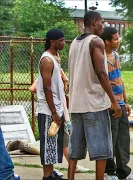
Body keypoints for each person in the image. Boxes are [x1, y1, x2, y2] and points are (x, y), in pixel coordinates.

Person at [67, 11, 122, 180]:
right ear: (94, 22)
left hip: (76, 103)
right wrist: (113, 100)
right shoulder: (96, 41)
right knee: (101, 150)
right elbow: (101, 72)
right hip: (94, 102)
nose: (103, 26)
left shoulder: (74, 43)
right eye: (102, 22)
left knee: (75, 149)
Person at [29, 54, 89, 177]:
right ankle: (59, 170)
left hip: (61, 111)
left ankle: (55, 171)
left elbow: (62, 92)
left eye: (59, 58)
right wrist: (52, 110)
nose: (58, 59)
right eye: (57, 58)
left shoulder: (58, 71)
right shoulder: (48, 67)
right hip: (50, 112)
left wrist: (64, 82)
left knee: (62, 141)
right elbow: (34, 88)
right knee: (60, 142)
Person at [100, 27, 133, 180]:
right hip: (110, 105)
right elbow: (102, 83)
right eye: (116, 39)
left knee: (123, 137)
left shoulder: (116, 56)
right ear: (107, 41)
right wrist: (112, 102)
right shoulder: (101, 59)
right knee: (111, 137)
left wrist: (126, 101)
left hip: (121, 103)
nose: (119, 41)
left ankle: (124, 171)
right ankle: (109, 172)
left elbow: (119, 79)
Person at [36, 28, 68, 180]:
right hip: (48, 109)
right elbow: (47, 88)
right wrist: (54, 112)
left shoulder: (54, 58)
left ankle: (51, 173)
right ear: (52, 42)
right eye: (61, 40)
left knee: (53, 143)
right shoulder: (47, 60)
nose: (64, 43)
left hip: (55, 108)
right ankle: (47, 176)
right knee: (48, 143)